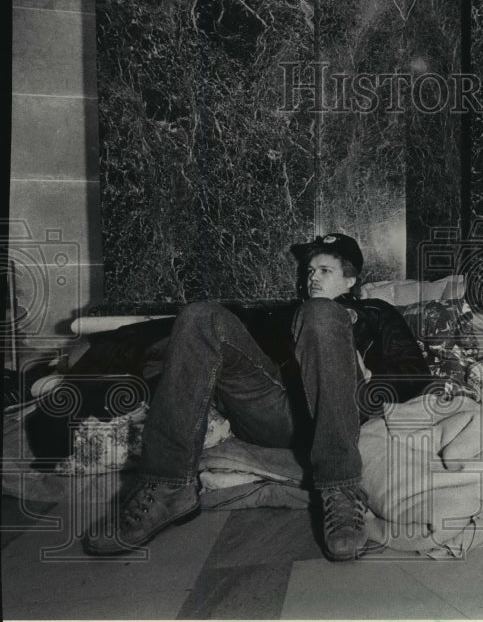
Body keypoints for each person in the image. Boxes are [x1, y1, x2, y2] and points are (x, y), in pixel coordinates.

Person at [83, 233, 431, 561]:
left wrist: (366, 384)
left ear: (350, 280)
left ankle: (340, 488)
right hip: (272, 406)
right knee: (200, 315)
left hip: (336, 411)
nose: (313, 279)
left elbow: (415, 373)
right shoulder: (288, 312)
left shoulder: (378, 313)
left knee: (322, 312)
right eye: (310, 271)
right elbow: (227, 345)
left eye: (325, 271)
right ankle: (170, 486)